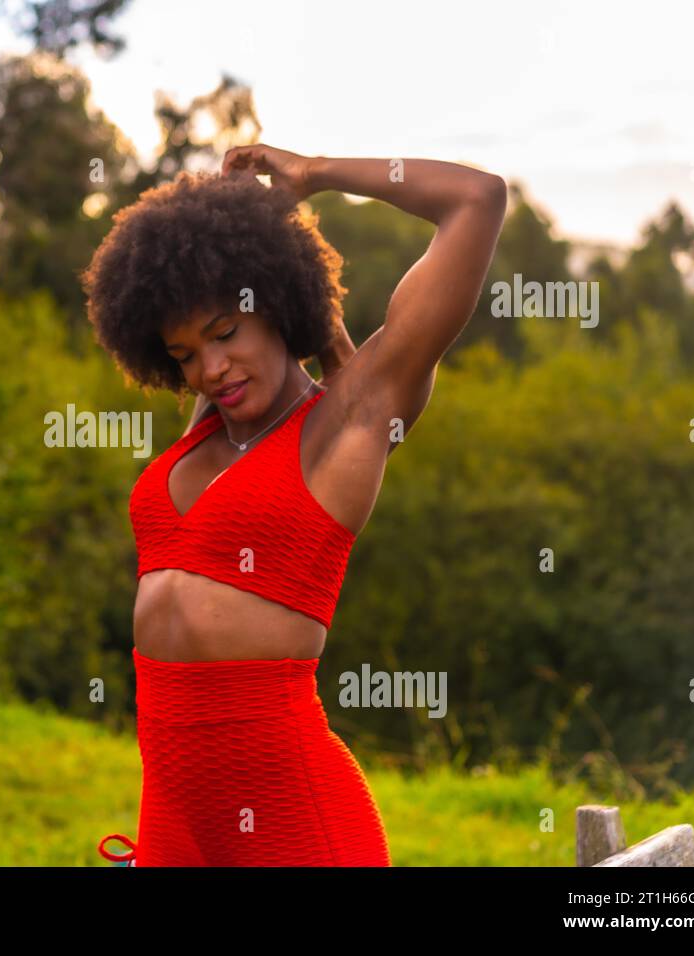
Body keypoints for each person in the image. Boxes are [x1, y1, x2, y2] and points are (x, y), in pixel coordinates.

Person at [83, 145, 507, 866]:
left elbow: (477, 199)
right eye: (183, 354)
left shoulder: (349, 421)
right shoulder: (211, 424)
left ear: (277, 307)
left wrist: (315, 175)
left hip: (291, 816)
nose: (210, 369)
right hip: (173, 816)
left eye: (225, 334)